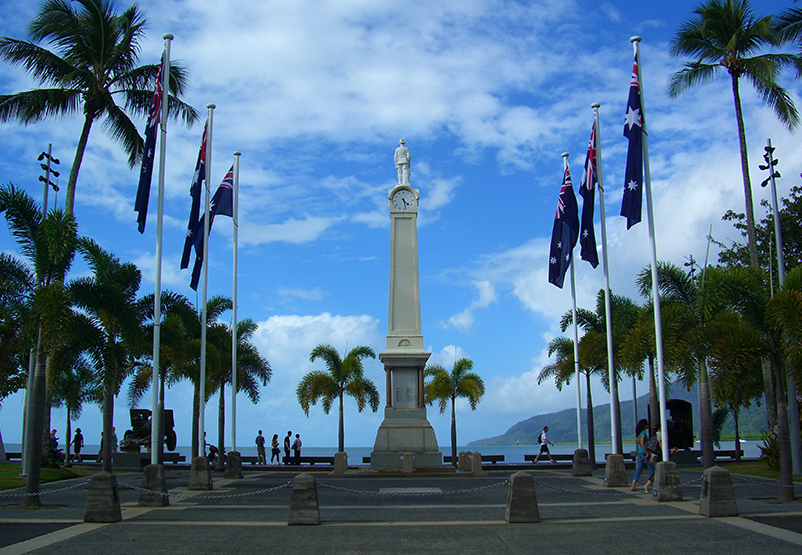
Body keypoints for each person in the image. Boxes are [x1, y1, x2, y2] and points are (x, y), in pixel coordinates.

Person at [631, 419, 655, 492]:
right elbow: (642, 443)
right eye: (647, 424)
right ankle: (647, 485)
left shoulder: (640, 433)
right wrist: (647, 453)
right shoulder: (643, 433)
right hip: (644, 453)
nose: (648, 425)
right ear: (644, 426)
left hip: (640, 452)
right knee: (653, 471)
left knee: (639, 469)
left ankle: (633, 485)